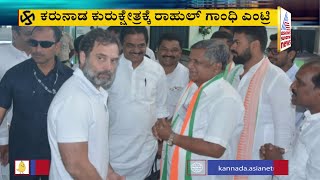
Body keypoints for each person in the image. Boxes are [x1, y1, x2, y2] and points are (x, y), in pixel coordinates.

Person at [153, 39, 244, 180]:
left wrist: (171, 136)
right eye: (190, 60)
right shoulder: (193, 87)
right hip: (177, 171)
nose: (189, 66)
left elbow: (215, 148)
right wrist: (165, 126)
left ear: (216, 67)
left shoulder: (226, 98)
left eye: (197, 62)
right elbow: (185, 121)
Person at [47, 28, 123, 180]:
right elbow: (76, 165)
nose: (109, 67)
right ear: (82, 57)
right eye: (101, 58)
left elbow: (95, 148)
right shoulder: (75, 99)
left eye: (113, 60)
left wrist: (108, 173)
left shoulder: (95, 93)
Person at [0, 26, 73, 180]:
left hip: (59, 157)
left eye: (45, 44)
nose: (38, 49)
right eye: (34, 43)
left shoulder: (70, 79)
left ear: (58, 46)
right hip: (25, 158)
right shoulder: (14, 75)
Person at [227, 26, 295, 180]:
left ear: (255, 45)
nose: (232, 47)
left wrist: (279, 174)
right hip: (230, 161)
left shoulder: (276, 78)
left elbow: (284, 131)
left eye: (237, 42)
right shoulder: (234, 73)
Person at [108, 26, 169, 179]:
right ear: (121, 44)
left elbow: (161, 108)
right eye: (131, 45)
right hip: (111, 152)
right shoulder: (109, 68)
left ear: (147, 45)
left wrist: (161, 144)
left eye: (141, 45)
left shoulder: (156, 70)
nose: (137, 50)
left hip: (145, 152)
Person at [260, 60, 320, 180]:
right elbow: (299, 165)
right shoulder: (309, 119)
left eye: (300, 83)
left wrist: (277, 163)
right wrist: (280, 154)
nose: (292, 86)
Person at [0, 26, 33, 180]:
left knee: (34, 171)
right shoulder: (2, 56)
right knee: (14, 172)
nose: (33, 37)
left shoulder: (41, 55)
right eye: (28, 34)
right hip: (9, 136)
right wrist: (3, 139)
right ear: (14, 34)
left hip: (36, 137)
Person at [267, 33, 305, 126]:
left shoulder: (302, 82)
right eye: (268, 50)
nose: (269, 55)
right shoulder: (268, 75)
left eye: (275, 51)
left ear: (291, 55)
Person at [157, 32, 189, 119]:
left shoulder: (188, 76)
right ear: (157, 50)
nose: (169, 53)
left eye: (174, 50)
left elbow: (188, 107)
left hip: (174, 127)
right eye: (164, 49)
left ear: (180, 52)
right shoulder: (147, 71)